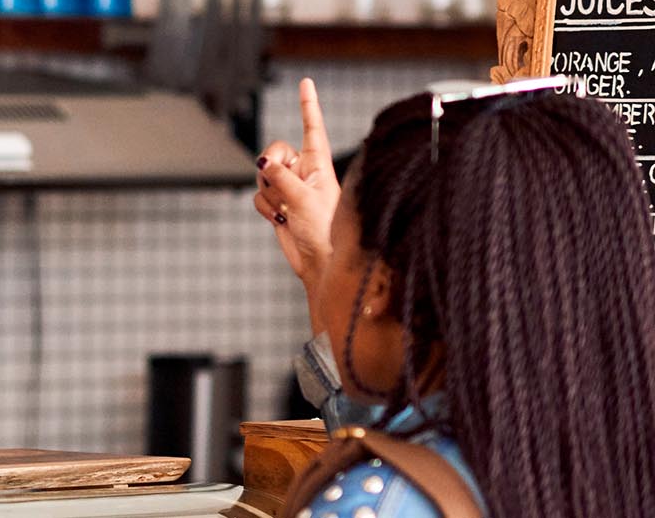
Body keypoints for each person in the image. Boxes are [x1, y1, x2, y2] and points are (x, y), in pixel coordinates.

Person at [253, 78, 655, 517]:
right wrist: (326, 263)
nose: (327, 269)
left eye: (337, 245)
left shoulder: (370, 504)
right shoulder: (609, 467)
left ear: (380, 287)